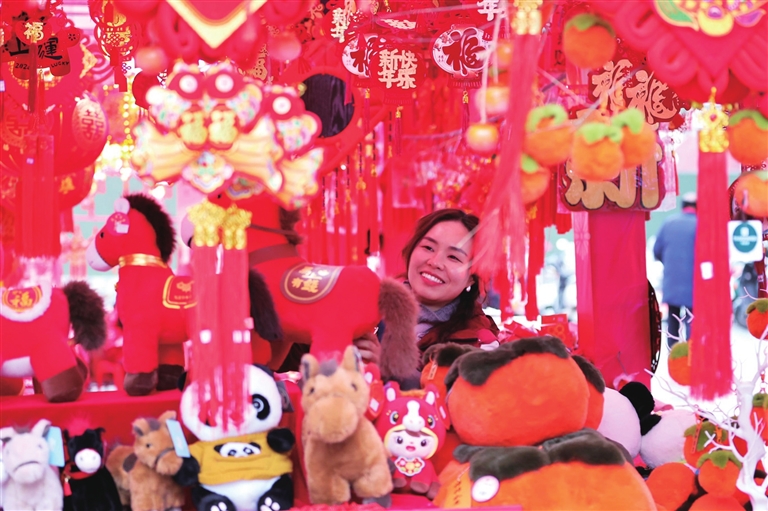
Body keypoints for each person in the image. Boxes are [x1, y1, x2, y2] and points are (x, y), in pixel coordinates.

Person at [354, 209, 500, 373]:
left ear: (471, 278)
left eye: (453, 257)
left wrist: (386, 368)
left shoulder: (478, 343)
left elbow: (453, 388)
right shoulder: (372, 307)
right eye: (428, 247)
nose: (434, 262)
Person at [653, 192, 697, 346]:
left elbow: (656, 251)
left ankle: (673, 352)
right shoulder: (701, 224)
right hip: (694, 283)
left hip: (672, 281)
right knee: (693, 319)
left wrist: (670, 264)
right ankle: (691, 352)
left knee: (673, 318)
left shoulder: (668, 223)